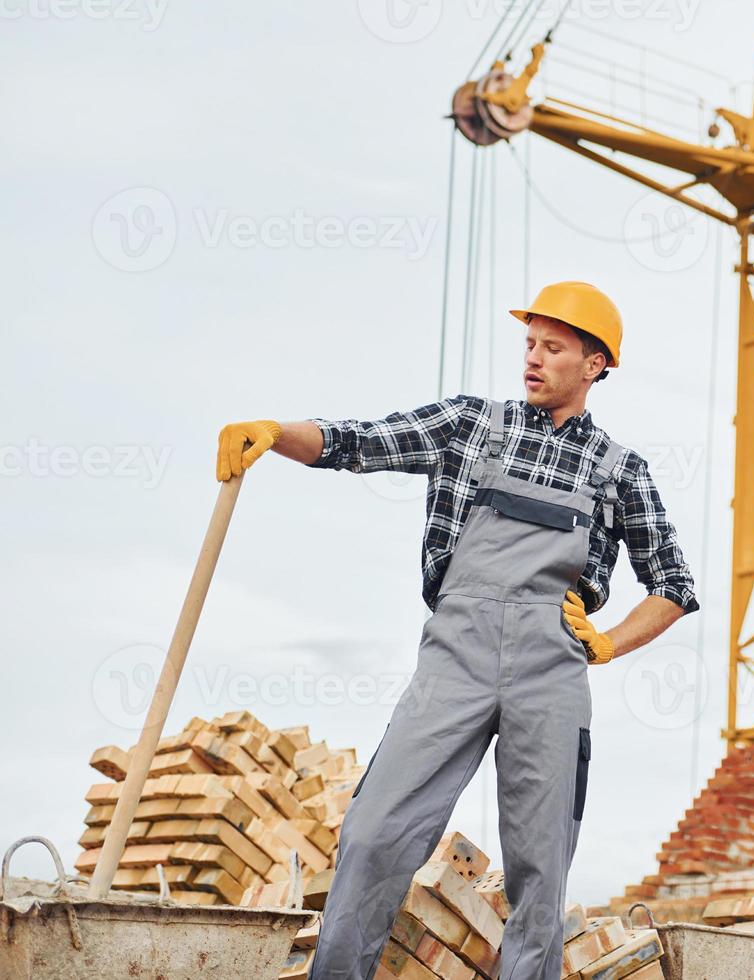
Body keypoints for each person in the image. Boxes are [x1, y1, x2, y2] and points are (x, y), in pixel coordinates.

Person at [215, 281, 699, 979]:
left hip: (552, 669)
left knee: (540, 869)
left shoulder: (622, 471)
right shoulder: (467, 425)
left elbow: (674, 587)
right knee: (376, 833)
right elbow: (360, 443)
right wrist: (276, 435)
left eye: (552, 348)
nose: (532, 358)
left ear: (595, 365)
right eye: (529, 343)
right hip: (457, 654)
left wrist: (606, 642)